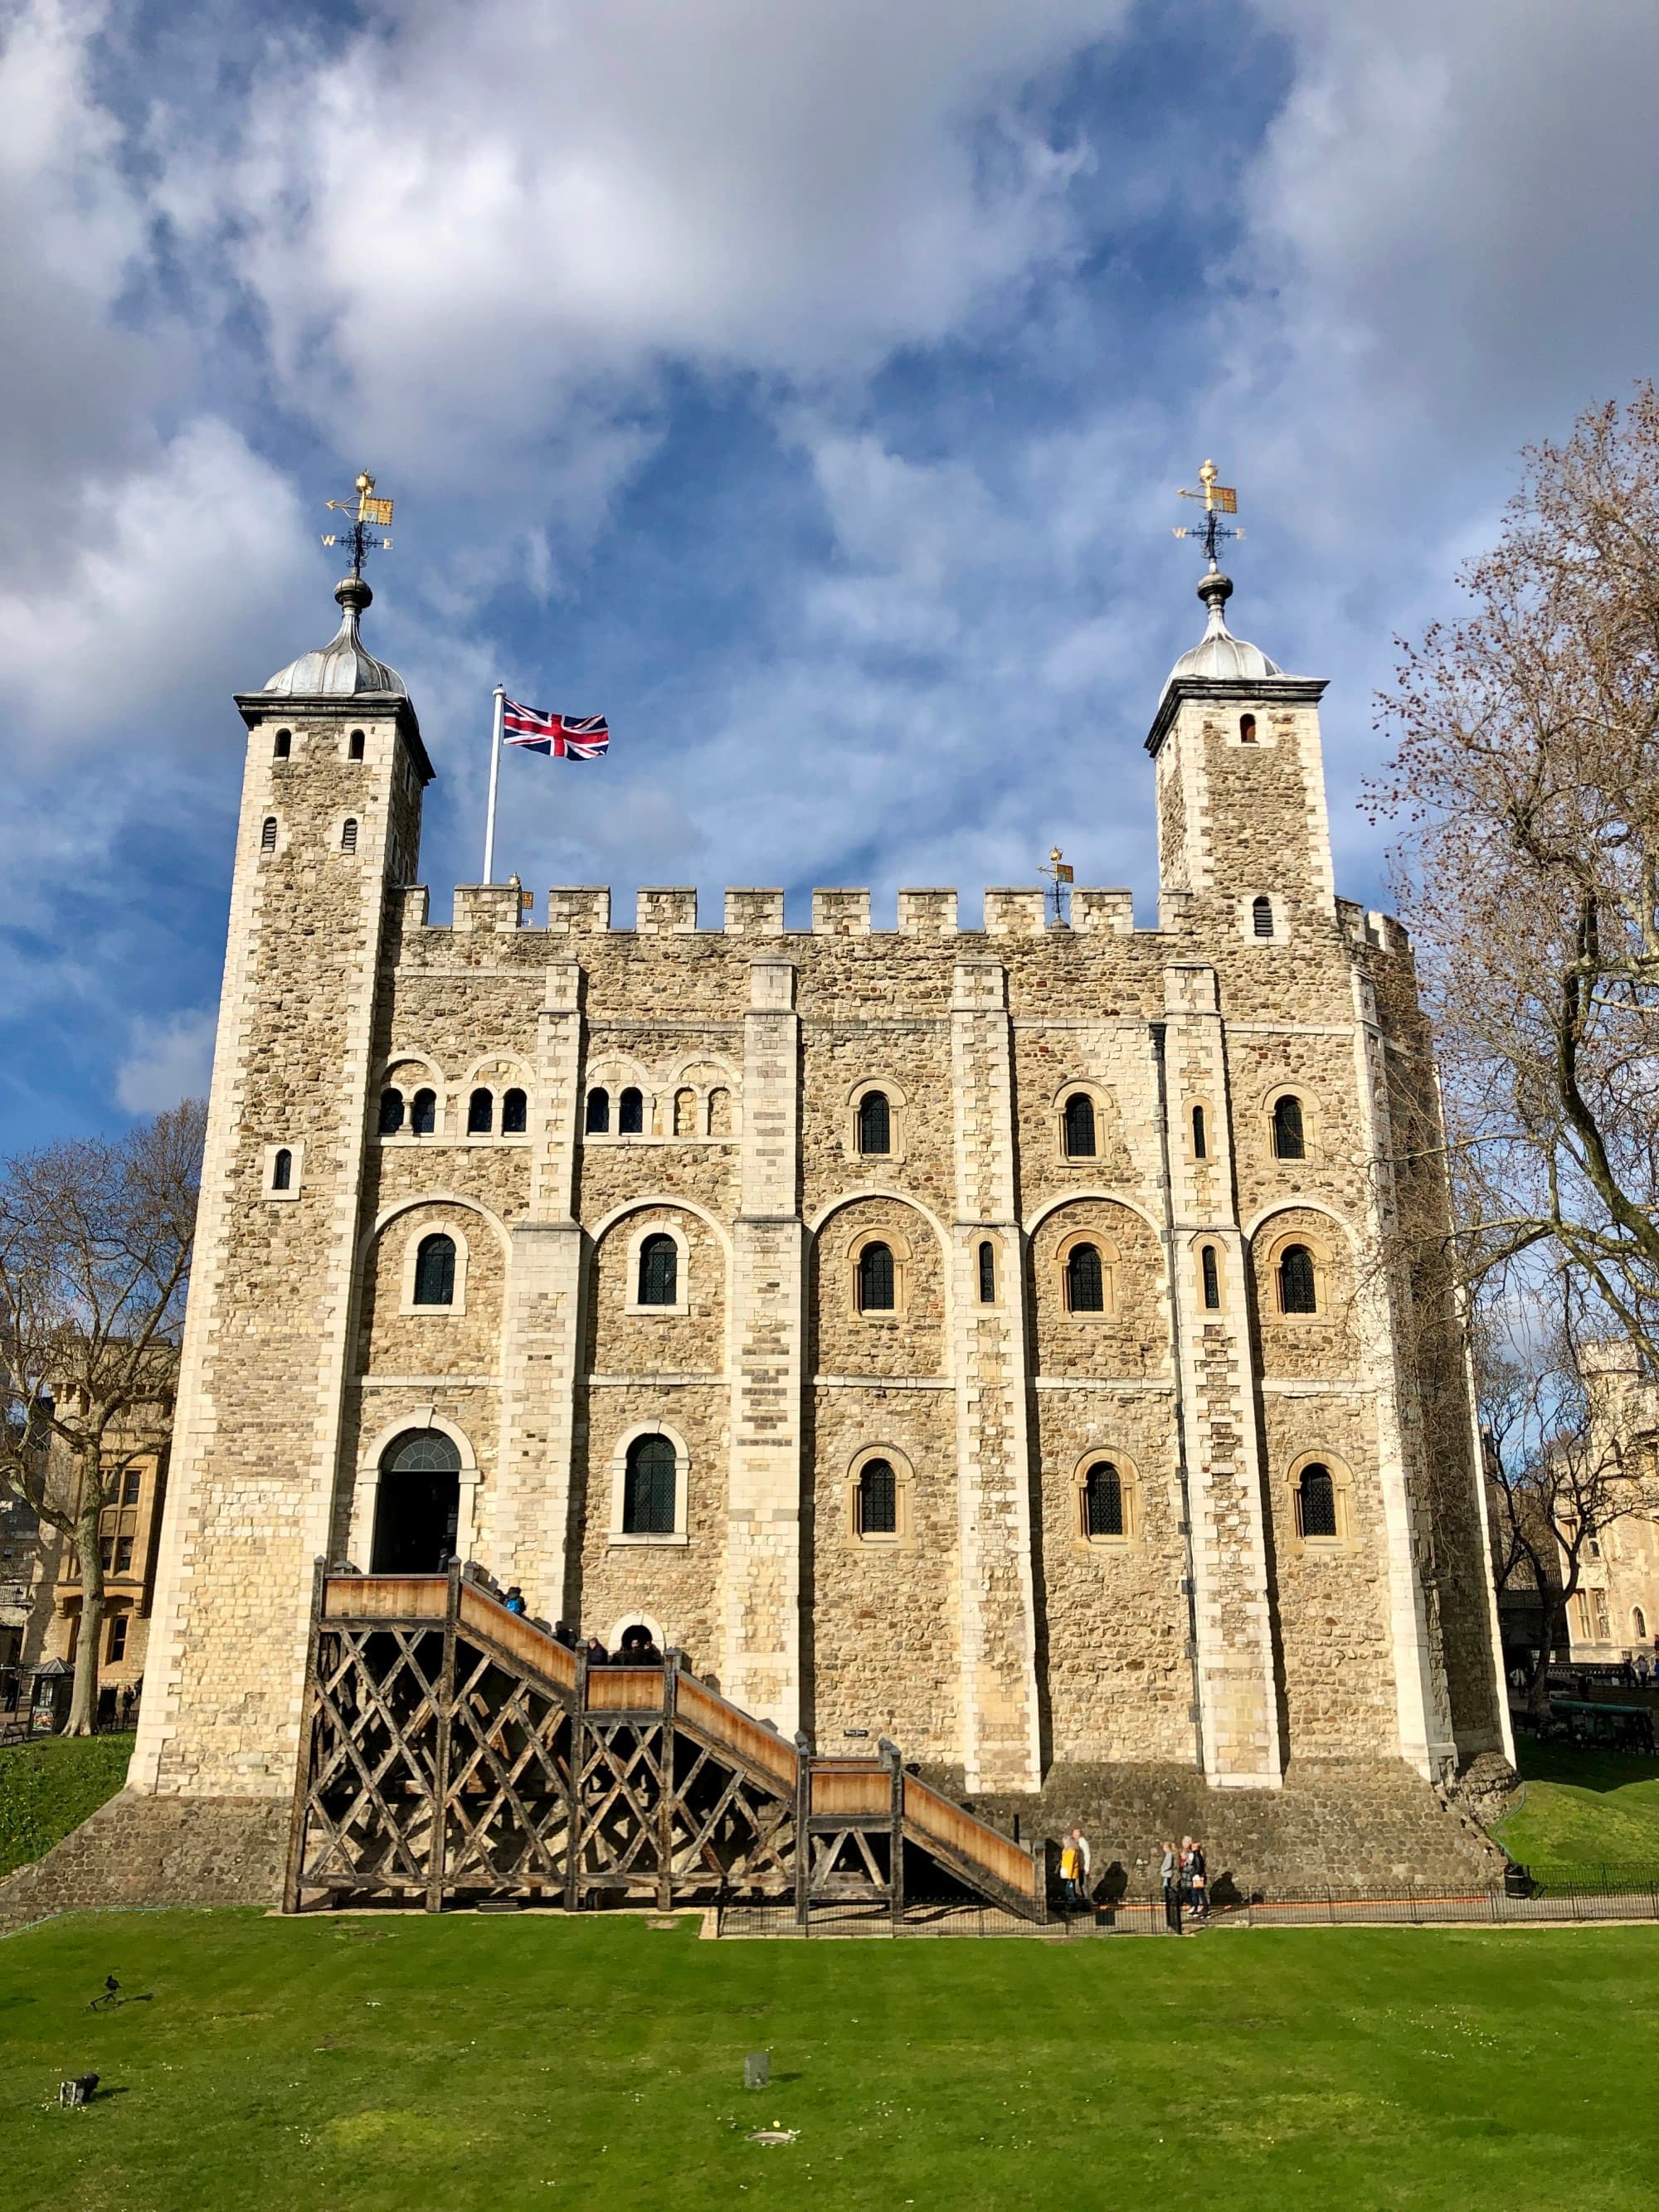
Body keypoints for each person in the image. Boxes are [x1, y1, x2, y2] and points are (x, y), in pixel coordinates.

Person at [1160, 1839, 1182, 1932]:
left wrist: (1163, 1869)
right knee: (1166, 1886)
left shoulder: (1169, 1855)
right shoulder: (1168, 1854)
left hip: (1167, 1874)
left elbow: (1168, 1865)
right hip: (1166, 1873)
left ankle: (1168, 1899)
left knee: (1166, 1887)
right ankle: (1167, 1898)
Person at [1068, 1827, 1092, 1912]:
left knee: (1083, 1886)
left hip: (1081, 1868)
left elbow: (1087, 1855)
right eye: (1074, 1834)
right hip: (1075, 1868)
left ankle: (1086, 1905)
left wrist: (1087, 1867)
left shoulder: (1083, 1842)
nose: (1075, 1836)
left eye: (1077, 1834)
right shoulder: (1072, 1842)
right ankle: (1076, 1904)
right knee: (1074, 1886)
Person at [1058, 1833, 1082, 1914]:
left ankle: (1073, 1906)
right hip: (1068, 1873)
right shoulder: (1069, 1850)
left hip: (1070, 1874)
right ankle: (1071, 1905)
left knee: (1070, 1890)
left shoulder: (1071, 1851)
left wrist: (1069, 1875)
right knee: (1069, 1890)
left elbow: (1070, 1864)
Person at [1187, 1837, 1209, 1922]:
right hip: (1198, 1876)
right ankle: (1200, 1909)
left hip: (1197, 1877)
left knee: (1198, 1893)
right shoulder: (1198, 1855)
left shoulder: (1197, 1855)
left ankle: (1204, 1910)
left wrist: (1194, 1873)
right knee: (1198, 1893)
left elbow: (1199, 1868)